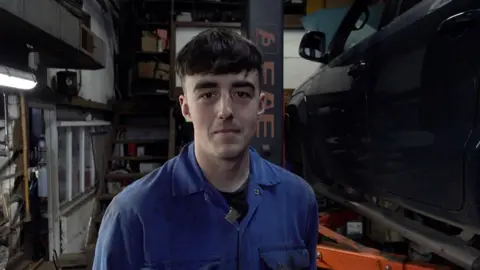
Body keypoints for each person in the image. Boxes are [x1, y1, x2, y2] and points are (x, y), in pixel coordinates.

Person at [93, 28, 319, 270]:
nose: (225, 111)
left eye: (241, 93)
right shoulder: (132, 214)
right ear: (186, 107)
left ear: (261, 105)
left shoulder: (298, 201)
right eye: (208, 94)